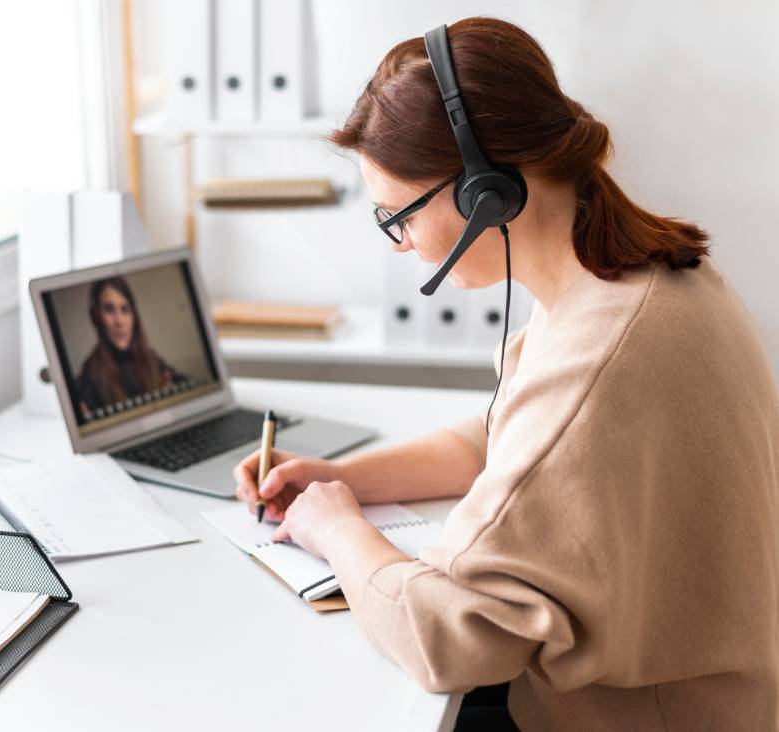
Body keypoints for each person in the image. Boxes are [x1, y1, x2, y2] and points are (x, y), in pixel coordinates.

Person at [234, 17, 779, 731]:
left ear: (485, 195)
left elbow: (446, 640)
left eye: (397, 215)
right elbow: (507, 436)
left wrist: (337, 533)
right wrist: (344, 484)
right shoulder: (637, 280)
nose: (399, 243)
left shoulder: (602, 355)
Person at [75, 276, 184, 419]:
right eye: (109, 309)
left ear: (134, 316)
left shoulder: (150, 357)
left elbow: (187, 385)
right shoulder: (89, 376)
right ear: (96, 317)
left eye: (125, 309)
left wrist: (172, 395)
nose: (119, 321)